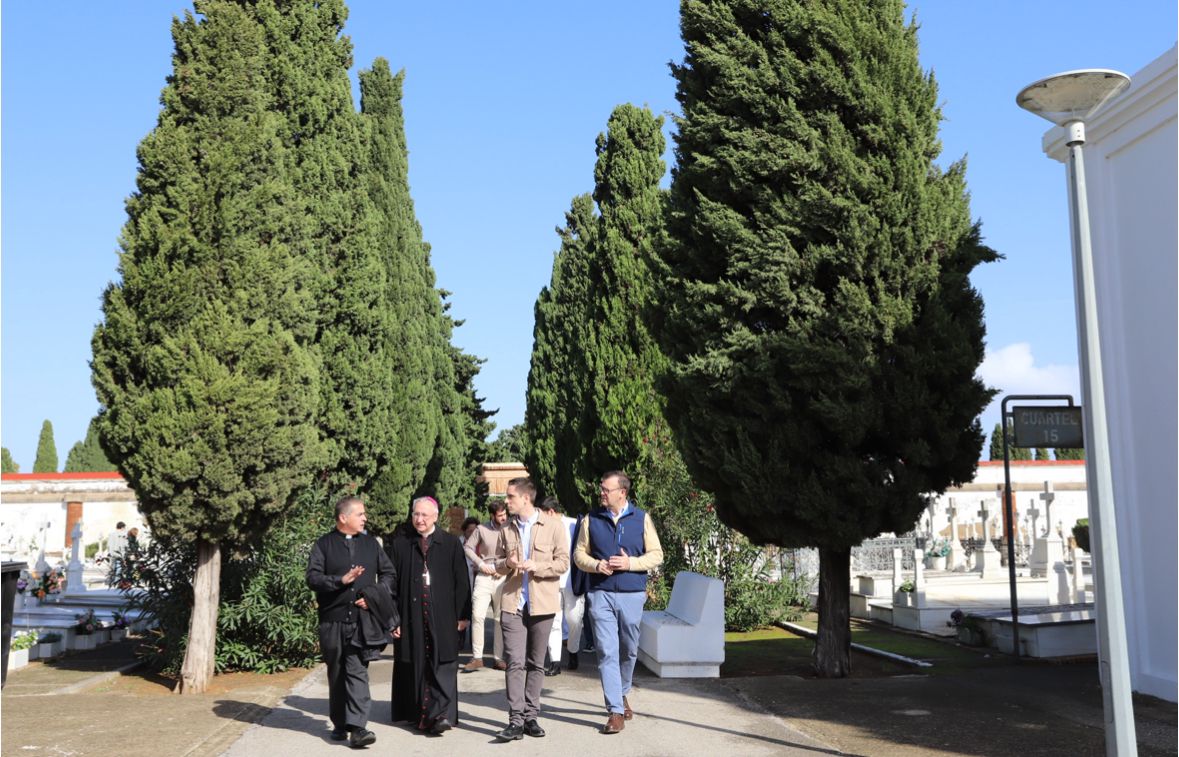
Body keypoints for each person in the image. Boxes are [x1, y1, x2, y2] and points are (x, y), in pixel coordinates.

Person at [573, 470, 663, 735]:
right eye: (601, 488)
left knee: (629, 648)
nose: (601, 493)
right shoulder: (591, 519)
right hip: (599, 594)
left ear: (622, 493)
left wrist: (630, 563)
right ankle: (614, 710)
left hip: (632, 594)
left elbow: (657, 554)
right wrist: (596, 564)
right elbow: (579, 554)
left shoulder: (641, 518)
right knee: (606, 650)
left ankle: (622, 692)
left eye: (606, 489)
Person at [306, 496, 396, 748]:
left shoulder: (371, 544)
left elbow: (389, 574)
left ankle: (358, 728)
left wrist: (375, 597)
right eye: (360, 514)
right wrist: (339, 581)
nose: (365, 518)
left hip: (361, 621)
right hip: (332, 621)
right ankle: (339, 723)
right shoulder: (323, 544)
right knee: (337, 673)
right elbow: (312, 578)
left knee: (357, 672)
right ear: (343, 518)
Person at [493, 478, 569, 742]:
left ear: (526, 498)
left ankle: (531, 717)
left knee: (536, 663)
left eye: (511, 496)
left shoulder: (554, 526)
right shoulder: (506, 528)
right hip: (513, 602)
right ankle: (515, 720)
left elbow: (563, 563)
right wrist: (507, 562)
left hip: (542, 604)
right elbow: (497, 564)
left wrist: (538, 566)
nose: (507, 501)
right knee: (514, 662)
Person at [389, 496, 472, 735]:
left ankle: (441, 714)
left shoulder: (450, 543)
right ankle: (421, 715)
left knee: (443, 662)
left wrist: (463, 614)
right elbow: (391, 583)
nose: (420, 519)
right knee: (415, 662)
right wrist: (393, 618)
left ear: (436, 517)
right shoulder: (401, 544)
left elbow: (461, 581)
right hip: (411, 614)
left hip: (443, 615)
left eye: (425, 515)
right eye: (416, 514)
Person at [461, 500, 508, 672]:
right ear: (492, 515)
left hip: (503, 577)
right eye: (500, 515)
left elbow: (516, 552)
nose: (503, 518)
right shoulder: (481, 529)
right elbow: (468, 547)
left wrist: (503, 568)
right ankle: (477, 657)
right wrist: (480, 564)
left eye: (505, 514)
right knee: (477, 616)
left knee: (499, 619)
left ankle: (498, 658)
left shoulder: (512, 528)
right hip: (483, 576)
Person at [538, 497, 578, 676]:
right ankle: (555, 662)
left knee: (574, 620)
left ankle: (573, 650)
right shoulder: (542, 529)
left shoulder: (574, 525)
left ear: (551, 512)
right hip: (551, 581)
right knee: (554, 622)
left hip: (572, 583)